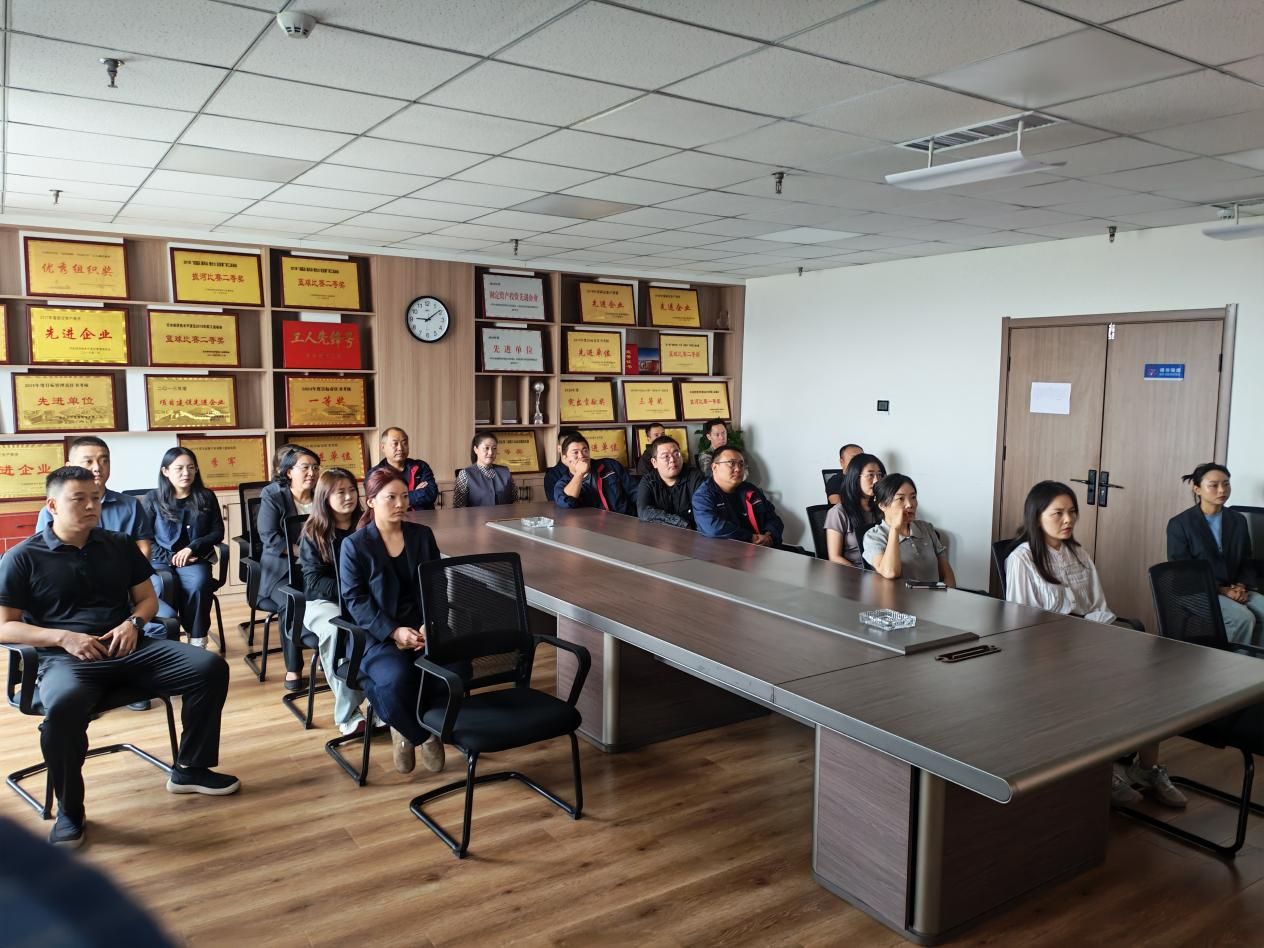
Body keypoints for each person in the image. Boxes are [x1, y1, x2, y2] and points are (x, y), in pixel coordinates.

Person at [0, 466, 238, 849]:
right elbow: (4, 627)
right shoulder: (23, 557)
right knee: (62, 709)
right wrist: (62, 637)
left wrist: (134, 623)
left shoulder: (118, 544)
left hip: (129, 649)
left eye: (95, 498)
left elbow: (147, 599)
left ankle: (190, 768)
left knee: (208, 667)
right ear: (52, 506)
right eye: (79, 499)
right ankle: (70, 810)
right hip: (67, 660)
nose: (91, 506)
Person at [1007, 481, 1186, 808]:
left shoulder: (1078, 554)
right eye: (1058, 513)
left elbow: (1099, 606)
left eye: (1072, 512)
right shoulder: (1022, 559)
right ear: (1036, 517)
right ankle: (1099, 773)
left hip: (1090, 641)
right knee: (1097, 690)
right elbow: (1020, 623)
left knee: (1151, 680)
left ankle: (1147, 768)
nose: (1068, 520)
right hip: (1046, 654)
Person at [339, 468, 448, 774]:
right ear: (371, 501)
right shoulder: (355, 545)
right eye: (391, 497)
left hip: (423, 630)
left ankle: (401, 722)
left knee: (453, 669)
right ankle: (419, 734)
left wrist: (429, 624)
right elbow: (355, 600)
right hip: (377, 635)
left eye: (405, 496)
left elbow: (438, 585)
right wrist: (394, 632)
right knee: (396, 678)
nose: (400, 503)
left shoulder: (421, 535)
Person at [298, 468, 366, 736]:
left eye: (352, 491)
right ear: (325, 497)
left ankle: (382, 704)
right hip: (325, 601)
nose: (349, 497)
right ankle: (348, 714)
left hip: (362, 597)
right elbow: (314, 580)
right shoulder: (314, 531)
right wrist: (350, 592)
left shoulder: (367, 525)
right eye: (340, 492)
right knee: (336, 631)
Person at [1167, 462, 1262, 647]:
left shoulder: (1238, 520)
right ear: (1197, 489)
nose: (1222, 490)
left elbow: (1246, 560)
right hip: (1197, 590)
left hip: (1234, 588)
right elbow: (1183, 570)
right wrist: (1222, 590)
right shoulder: (1180, 524)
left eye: (1226, 484)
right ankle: (1232, 663)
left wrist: (1241, 586)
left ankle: (1255, 661)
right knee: (1242, 619)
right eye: (1214, 485)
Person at [140, 448, 224, 649]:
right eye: (179, 468)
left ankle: (197, 640)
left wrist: (192, 548)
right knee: (162, 585)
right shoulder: (153, 499)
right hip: (160, 559)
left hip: (194, 558)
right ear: (165, 471)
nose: (186, 473)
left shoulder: (206, 496)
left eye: (191, 468)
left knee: (199, 583)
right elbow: (145, 537)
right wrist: (171, 557)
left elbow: (217, 532)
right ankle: (164, 642)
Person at [258, 445, 319, 690]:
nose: (312, 473)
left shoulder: (322, 494)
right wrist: (306, 553)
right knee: (293, 602)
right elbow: (270, 538)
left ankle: (332, 653)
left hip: (317, 568)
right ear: (289, 472)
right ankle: (294, 668)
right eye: (305, 467)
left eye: (315, 467)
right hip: (281, 570)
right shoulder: (273, 495)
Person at [36, 436, 154, 562]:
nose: (97, 468)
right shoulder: (54, 510)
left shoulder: (131, 505)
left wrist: (134, 572)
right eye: (88, 461)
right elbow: (45, 555)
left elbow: (144, 547)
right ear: (69, 466)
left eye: (104, 461)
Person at [863, 474, 956, 586]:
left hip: (934, 595)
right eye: (900, 498)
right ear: (882, 505)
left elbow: (948, 575)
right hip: (899, 597)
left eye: (913, 497)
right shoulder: (873, 537)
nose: (909, 504)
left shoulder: (926, 528)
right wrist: (895, 529)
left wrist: (949, 593)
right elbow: (890, 572)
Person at [693, 445, 784, 546]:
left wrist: (769, 536)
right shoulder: (703, 497)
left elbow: (774, 519)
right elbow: (713, 528)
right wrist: (752, 538)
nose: (738, 469)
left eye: (741, 464)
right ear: (715, 467)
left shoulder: (750, 489)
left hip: (763, 548)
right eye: (731, 463)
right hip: (727, 552)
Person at [825, 453, 885, 568]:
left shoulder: (882, 508)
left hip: (883, 568)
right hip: (855, 571)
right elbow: (834, 557)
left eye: (879, 475)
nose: (876, 480)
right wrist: (862, 574)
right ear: (855, 478)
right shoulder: (838, 512)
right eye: (870, 475)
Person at [553, 433, 634, 514]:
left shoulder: (610, 465)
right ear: (565, 459)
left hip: (625, 518)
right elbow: (566, 503)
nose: (581, 456)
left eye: (585, 451)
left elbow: (634, 491)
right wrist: (579, 473)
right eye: (575, 452)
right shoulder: (563, 484)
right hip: (593, 521)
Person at [637, 435, 704, 529]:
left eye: (676, 454)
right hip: (660, 534)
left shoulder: (695, 477)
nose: (672, 460)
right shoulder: (649, 481)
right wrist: (680, 523)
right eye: (666, 456)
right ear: (654, 462)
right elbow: (643, 511)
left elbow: (704, 511)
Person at [364, 427, 437, 511]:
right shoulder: (374, 474)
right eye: (395, 444)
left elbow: (431, 493)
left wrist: (394, 497)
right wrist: (414, 494)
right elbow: (380, 502)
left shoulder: (421, 466)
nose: (400, 448)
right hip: (391, 518)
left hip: (424, 517)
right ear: (383, 447)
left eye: (404, 443)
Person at [453, 432, 517, 508]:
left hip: (505, 515)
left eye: (494, 448)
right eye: (486, 448)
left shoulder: (505, 472)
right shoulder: (465, 474)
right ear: (476, 449)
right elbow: (459, 508)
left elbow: (515, 501)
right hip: (475, 516)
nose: (491, 452)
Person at [543, 427, 582, 502]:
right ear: (559, 448)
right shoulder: (552, 475)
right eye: (568, 446)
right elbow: (558, 502)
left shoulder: (589, 468)